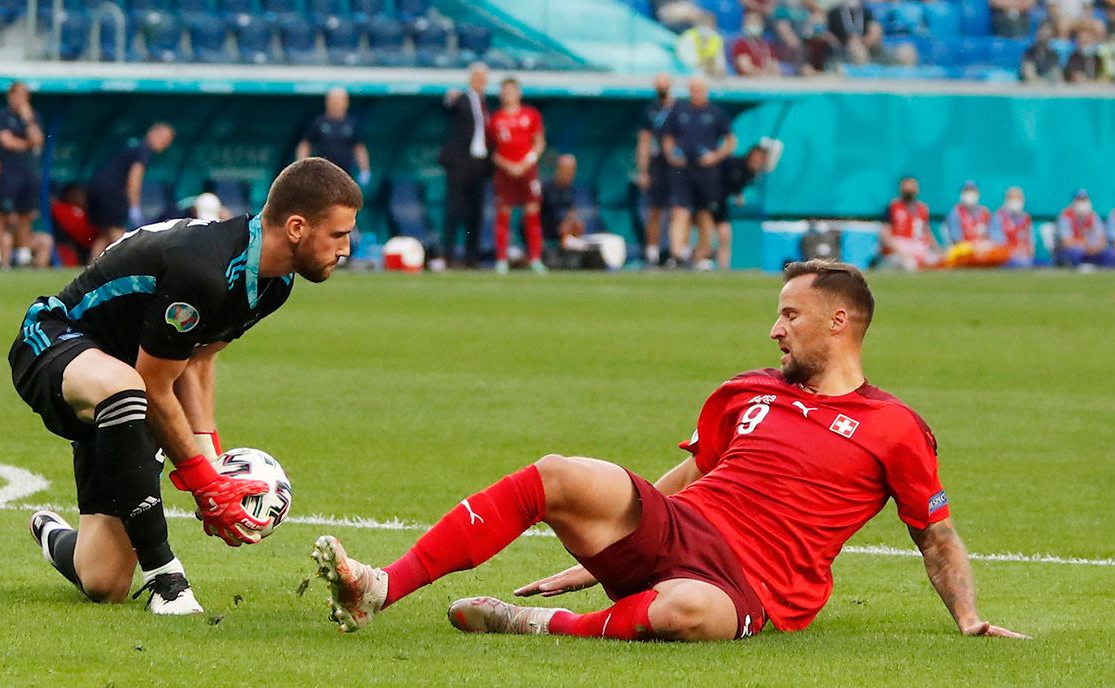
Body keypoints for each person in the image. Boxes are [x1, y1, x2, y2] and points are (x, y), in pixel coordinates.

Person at [313, 260, 1027, 643]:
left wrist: (966, 618)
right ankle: (380, 587)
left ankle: (529, 624)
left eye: (790, 315)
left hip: (750, 587)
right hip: (681, 527)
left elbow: (936, 535)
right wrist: (598, 556)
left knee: (690, 611)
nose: (774, 330)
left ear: (839, 322)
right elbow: (693, 473)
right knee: (557, 473)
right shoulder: (746, 392)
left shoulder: (896, 426)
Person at [15, 158, 362, 616]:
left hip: (124, 377)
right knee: (127, 392)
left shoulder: (274, 285)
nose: (347, 248)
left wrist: (213, 461)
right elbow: (155, 387)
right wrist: (204, 485)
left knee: (104, 581)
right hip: (54, 342)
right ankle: (166, 580)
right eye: (338, 235)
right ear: (297, 227)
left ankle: (53, 534)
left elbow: (195, 363)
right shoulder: (204, 269)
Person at [663, 76, 736, 269]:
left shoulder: (715, 112)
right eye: (693, 89)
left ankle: (703, 255)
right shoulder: (679, 110)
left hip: (707, 171)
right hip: (683, 169)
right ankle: (677, 255)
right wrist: (671, 155)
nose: (696, 93)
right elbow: (667, 138)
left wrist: (715, 156)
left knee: (705, 213)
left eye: (699, 89)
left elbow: (730, 141)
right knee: (680, 211)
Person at [85, 122, 176, 262]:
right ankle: (128, 266)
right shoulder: (143, 149)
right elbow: (134, 178)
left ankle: (91, 266)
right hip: (111, 190)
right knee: (117, 232)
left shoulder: (133, 145)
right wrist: (134, 205)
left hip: (95, 186)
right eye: (165, 139)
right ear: (153, 133)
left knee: (105, 232)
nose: (166, 145)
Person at [488, 76, 547, 275]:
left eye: (511, 90)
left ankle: (535, 259)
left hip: (527, 170)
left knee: (532, 212)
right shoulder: (496, 119)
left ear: (519, 93)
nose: (508, 95)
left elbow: (539, 142)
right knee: (503, 213)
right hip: (505, 172)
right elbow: (492, 151)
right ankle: (502, 260)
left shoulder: (531, 115)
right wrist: (508, 165)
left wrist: (527, 161)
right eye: (505, 91)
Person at [439, 63, 491, 269]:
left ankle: (472, 256)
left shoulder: (485, 104)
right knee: (454, 209)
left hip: (479, 164)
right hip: (460, 163)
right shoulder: (462, 98)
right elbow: (448, 108)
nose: (480, 82)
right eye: (477, 78)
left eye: (483, 78)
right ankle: (447, 255)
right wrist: (448, 98)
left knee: (475, 212)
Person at [0, 81, 45, 268]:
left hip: (28, 172)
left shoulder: (33, 117)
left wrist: (28, 119)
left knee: (25, 214)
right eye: (17, 95)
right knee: (3, 214)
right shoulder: (3, 115)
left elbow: (38, 140)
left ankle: (23, 254)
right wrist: (27, 144)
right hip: (9, 172)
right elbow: (6, 141)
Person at [713, 139, 782, 270]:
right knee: (714, 233)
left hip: (721, 205)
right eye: (756, 157)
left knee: (725, 235)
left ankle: (722, 268)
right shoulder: (734, 164)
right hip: (709, 201)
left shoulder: (752, 173)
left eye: (761, 158)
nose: (758, 161)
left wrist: (738, 195)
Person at [635, 73, 679, 267]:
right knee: (655, 209)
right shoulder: (650, 110)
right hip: (656, 165)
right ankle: (652, 251)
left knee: (677, 210)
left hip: (677, 165)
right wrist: (643, 170)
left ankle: (674, 252)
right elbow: (644, 141)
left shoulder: (680, 108)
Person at [296, 87, 371, 188]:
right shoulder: (319, 122)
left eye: (340, 101)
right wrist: (302, 166)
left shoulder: (351, 124)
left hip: (345, 175)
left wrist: (365, 170)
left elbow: (359, 148)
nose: (337, 104)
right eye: (334, 101)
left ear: (346, 103)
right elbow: (305, 145)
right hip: (323, 174)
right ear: (327, 102)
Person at [879, 176, 941, 271]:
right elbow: (885, 235)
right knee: (909, 265)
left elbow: (927, 234)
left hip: (918, 247)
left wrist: (938, 251)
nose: (909, 190)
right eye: (906, 187)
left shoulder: (922, 209)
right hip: (899, 248)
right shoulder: (893, 207)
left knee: (938, 262)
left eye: (912, 187)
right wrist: (900, 251)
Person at [943, 180, 1010, 268]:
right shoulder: (955, 213)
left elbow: (997, 239)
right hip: (965, 249)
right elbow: (956, 240)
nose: (970, 194)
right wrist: (973, 246)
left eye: (972, 191)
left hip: (984, 249)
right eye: (967, 191)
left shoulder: (985, 213)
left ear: (978, 194)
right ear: (961, 194)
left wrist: (985, 245)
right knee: (957, 252)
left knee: (1002, 252)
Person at [1055, 189, 1114, 266]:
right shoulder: (1066, 216)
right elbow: (1066, 242)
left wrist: (1095, 248)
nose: (1082, 203)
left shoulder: (1093, 216)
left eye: (1084, 199)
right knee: (1075, 253)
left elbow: (1102, 240)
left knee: (1108, 253)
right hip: (1072, 251)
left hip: (1092, 250)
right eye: (1079, 200)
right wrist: (1086, 246)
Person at [50, 184, 98, 266]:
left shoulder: (87, 211)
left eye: (82, 195)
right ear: (69, 195)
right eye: (77, 194)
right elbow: (81, 234)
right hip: (67, 245)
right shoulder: (62, 209)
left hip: (84, 246)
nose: (81, 198)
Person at [827, 0, 884, 66]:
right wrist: (841, 45)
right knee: (856, 49)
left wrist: (862, 42)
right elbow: (829, 34)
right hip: (843, 46)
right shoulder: (834, 12)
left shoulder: (866, 12)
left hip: (864, 43)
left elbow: (874, 30)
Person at [990, 186, 1035, 268]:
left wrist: (1025, 253)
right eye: (1012, 198)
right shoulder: (999, 217)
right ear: (1006, 200)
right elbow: (998, 244)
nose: (1015, 201)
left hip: (1025, 259)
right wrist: (1014, 252)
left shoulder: (1026, 218)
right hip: (1005, 260)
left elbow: (1031, 245)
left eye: (1018, 198)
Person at [675, 11, 728, 77]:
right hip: (691, 76)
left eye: (709, 24)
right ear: (698, 24)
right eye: (704, 23)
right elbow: (684, 62)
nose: (706, 27)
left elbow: (721, 66)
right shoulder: (688, 37)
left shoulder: (717, 39)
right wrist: (703, 64)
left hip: (712, 77)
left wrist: (715, 68)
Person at [732, 12, 781, 76]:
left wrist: (773, 73)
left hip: (766, 79)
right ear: (744, 25)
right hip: (748, 80)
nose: (754, 25)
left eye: (756, 23)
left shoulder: (766, 45)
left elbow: (774, 64)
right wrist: (762, 74)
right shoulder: (741, 44)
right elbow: (745, 67)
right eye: (751, 23)